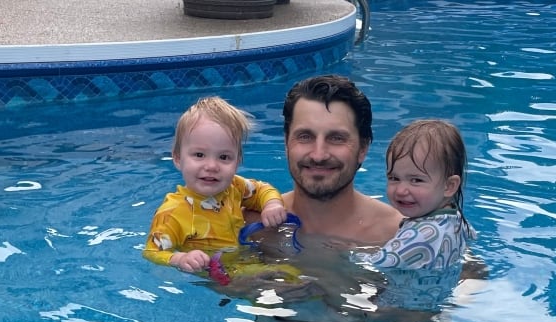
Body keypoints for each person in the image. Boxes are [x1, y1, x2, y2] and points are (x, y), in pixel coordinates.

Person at [142, 96, 287, 273]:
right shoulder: (172, 213)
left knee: (293, 276)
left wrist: (272, 204)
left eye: (224, 157)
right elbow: (152, 252)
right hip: (214, 274)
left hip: (245, 258)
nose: (211, 166)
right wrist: (180, 258)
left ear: (237, 161)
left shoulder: (235, 186)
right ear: (178, 158)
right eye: (199, 155)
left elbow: (262, 189)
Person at [351, 119, 477, 311]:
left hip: (397, 311)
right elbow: (471, 238)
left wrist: (350, 252)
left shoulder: (420, 235)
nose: (401, 190)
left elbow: (376, 264)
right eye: (394, 178)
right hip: (431, 304)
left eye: (416, 180)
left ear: (449, 186)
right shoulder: (457, 220)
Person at [279, 74, 404, 247]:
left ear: (363, 148)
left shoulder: (399, 237)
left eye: (336, 138)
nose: (318, 155)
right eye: (305, 136)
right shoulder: (246, 224)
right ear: (286, 143)